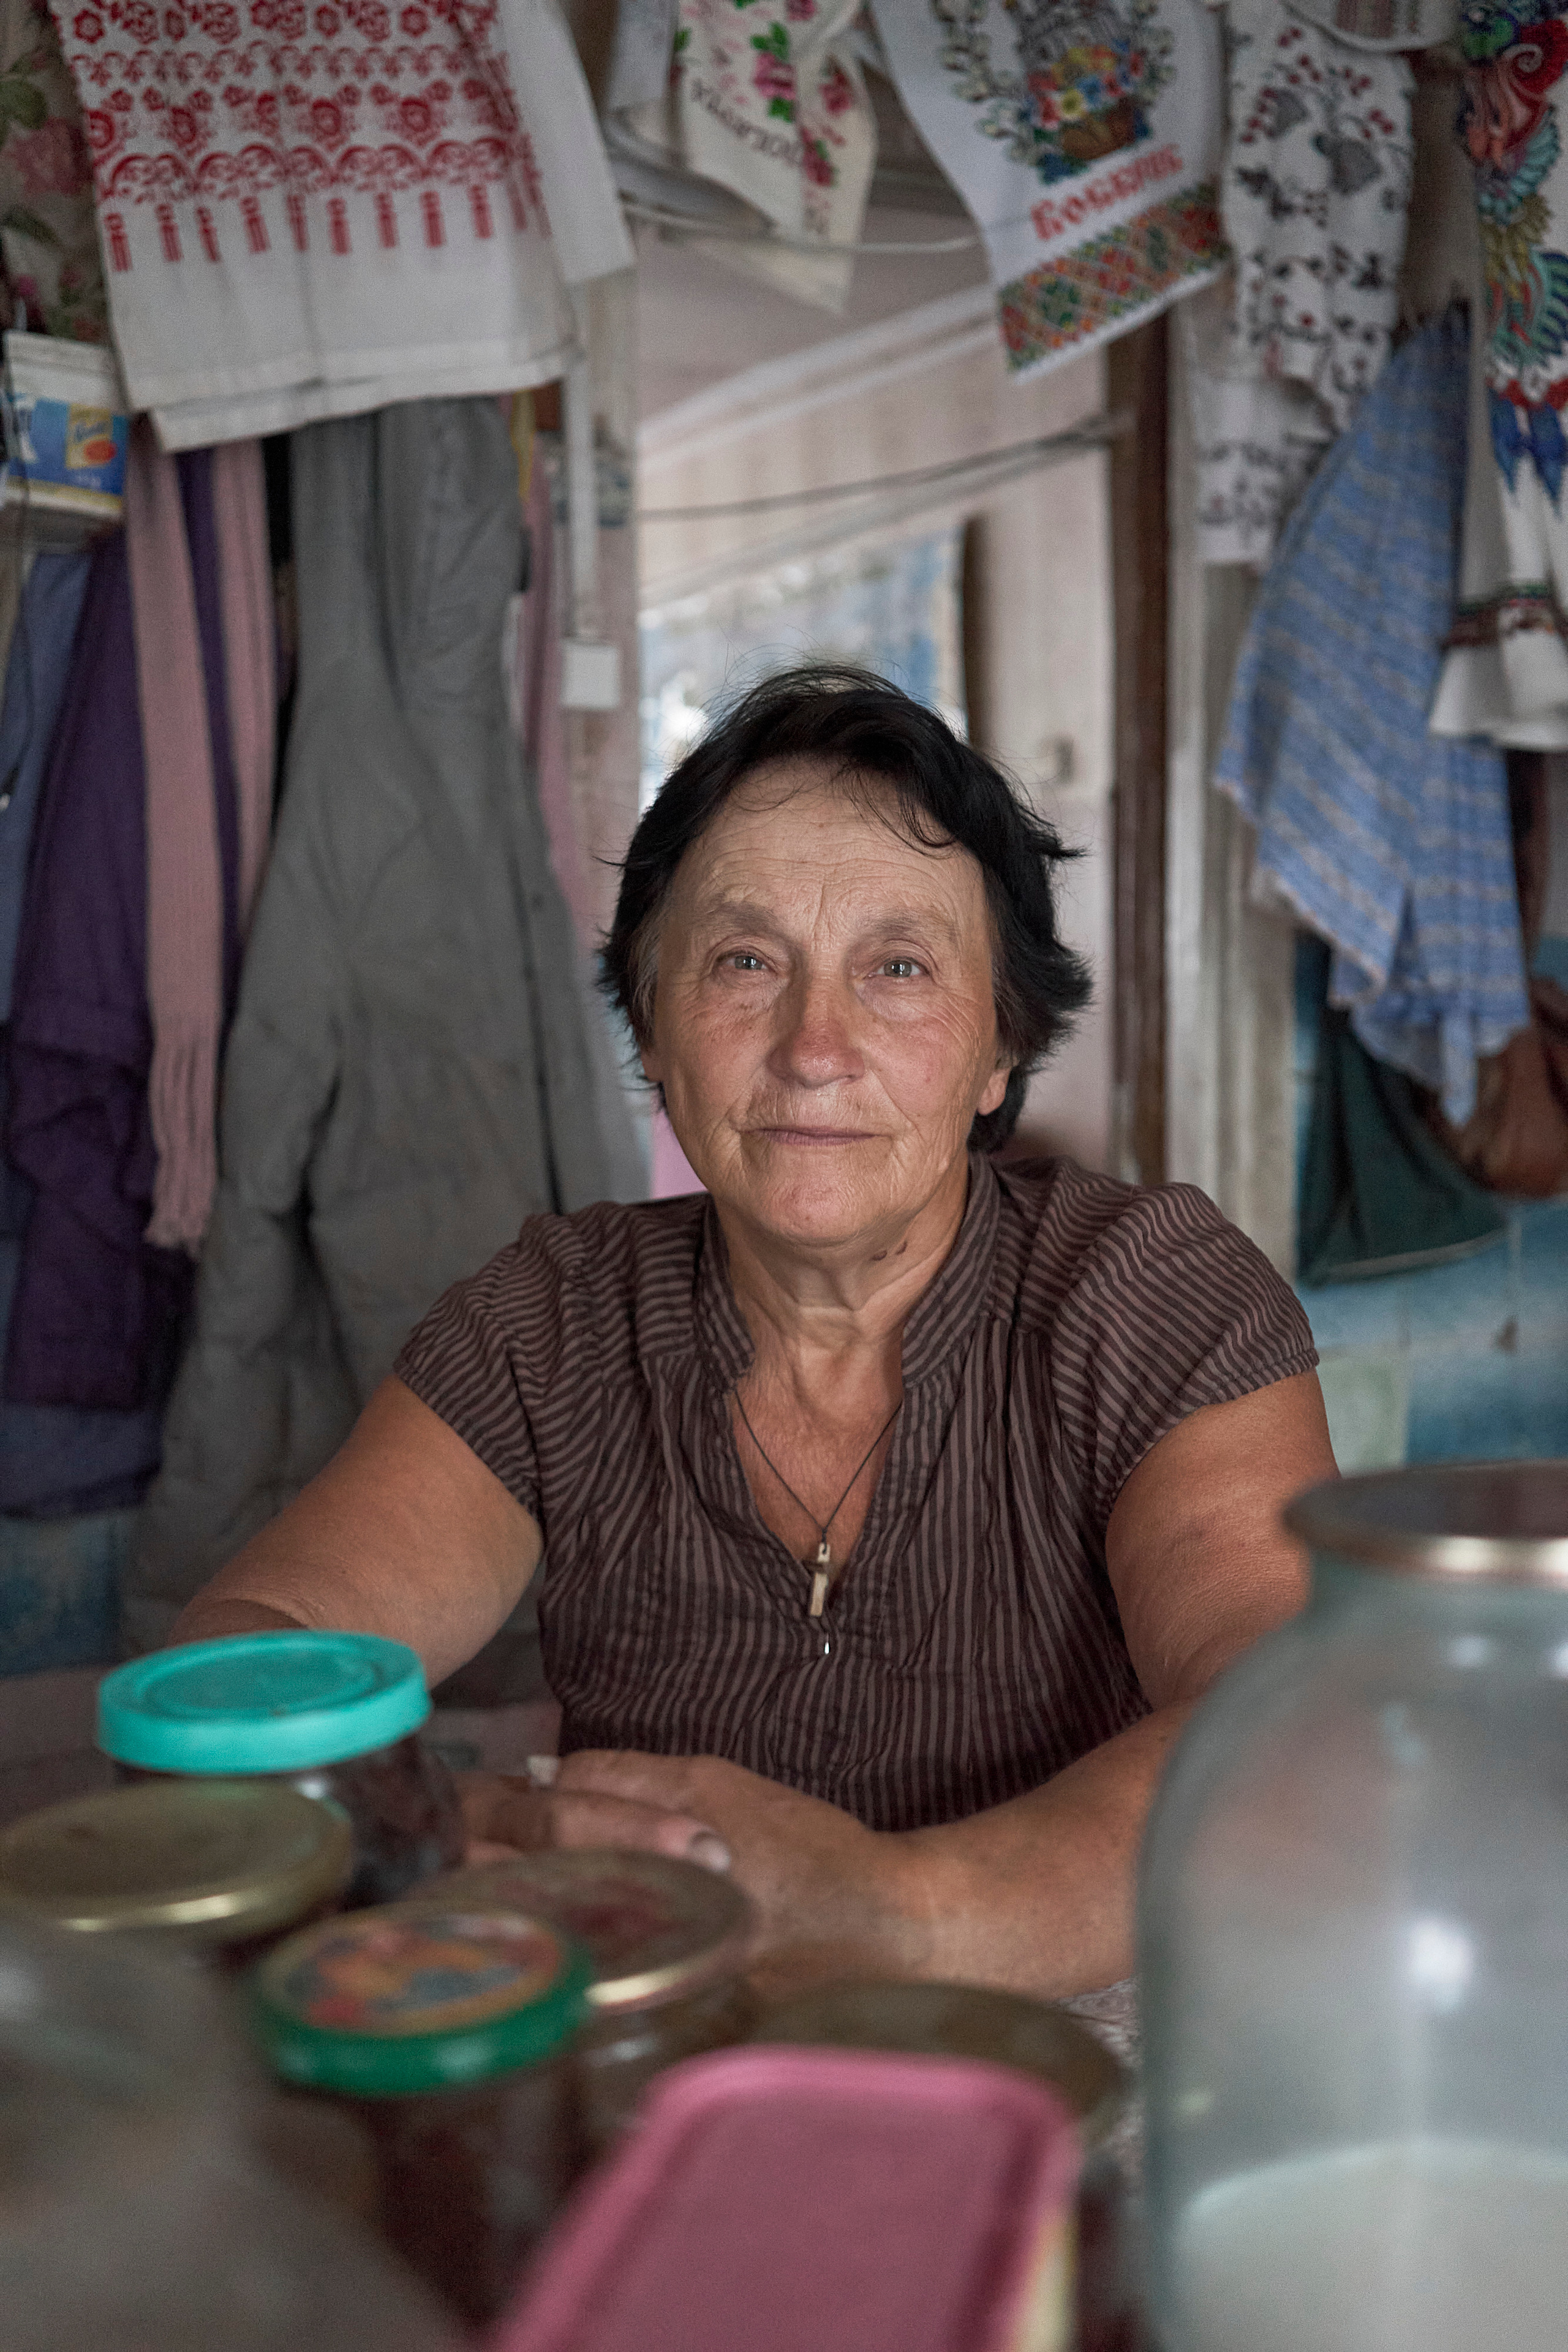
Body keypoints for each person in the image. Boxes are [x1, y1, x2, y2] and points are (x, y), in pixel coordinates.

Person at [174, 665, 1335, 2000]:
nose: (812, 1044)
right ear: (654, 1027)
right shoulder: (554, 1322)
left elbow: (1291, 1724)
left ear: (998, 1050)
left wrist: (902, 1915)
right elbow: (245, 1655)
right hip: (661, 2047)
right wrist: (434, 1833)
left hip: (1074, 2045)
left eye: (896, 967)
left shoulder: (1149, 1298)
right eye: (742, 963)